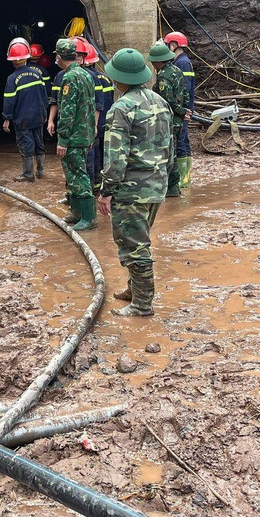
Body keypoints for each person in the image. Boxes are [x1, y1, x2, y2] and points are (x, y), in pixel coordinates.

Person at [98, 48, 174, 317]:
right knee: (139, 239)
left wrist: (106, 190)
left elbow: (115, 156)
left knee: (134, 246)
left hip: (131, 190)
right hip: (156, 185)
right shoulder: (159, 101)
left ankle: (142, 304)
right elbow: (170, 147)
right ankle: (134, 289)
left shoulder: (121, 108)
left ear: (118, 78)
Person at [49, 38, 97, 231]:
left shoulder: (68, 78)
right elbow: (91, 106)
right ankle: (77, 212)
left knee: (78, 175)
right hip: (84, 134)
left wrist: (62, 140)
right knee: (73, 174)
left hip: (75, 137)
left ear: (59, 57)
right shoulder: (86, 75)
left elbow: (67, 111)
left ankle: (88, 217)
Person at [2, 40, 48, 182]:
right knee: (39, 142)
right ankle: (40, 171)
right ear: (27, 57)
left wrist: (6, 118)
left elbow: (9, 101)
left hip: (23, 118)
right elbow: (44, 94)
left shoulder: (12, 78)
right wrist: (44, 113)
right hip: (38, 116)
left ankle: (28, 174)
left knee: (26, 144)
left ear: (12, 60)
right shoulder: (37, 74)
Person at [148, 41, 188, 198]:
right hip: (177, 119)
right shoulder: (177, 70)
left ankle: (170, 187)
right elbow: (185, 92)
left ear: (159, 61)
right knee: (173, 152)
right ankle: (172, 187)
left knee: (167, 154)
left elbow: (167, 100)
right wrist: (185, 110)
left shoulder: (164, 76)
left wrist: (182, 111)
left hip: (169, 120)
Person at [163, 31, 195, 190]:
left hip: (182, 111)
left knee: (180, 142)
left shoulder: (181, 63)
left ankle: (183, 178)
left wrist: (184, 110)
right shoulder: (182, 61)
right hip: (184, 110)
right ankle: (186, 177)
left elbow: (185, 89)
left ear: (173, 45)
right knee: (185, 142)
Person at [84, 43, 114, 196]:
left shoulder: (87, 78)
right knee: (105, 155)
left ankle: (95, 185)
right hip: (106, 123)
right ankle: (103, 183)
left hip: (93, 125)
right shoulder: (106, 78)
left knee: (93, 156)